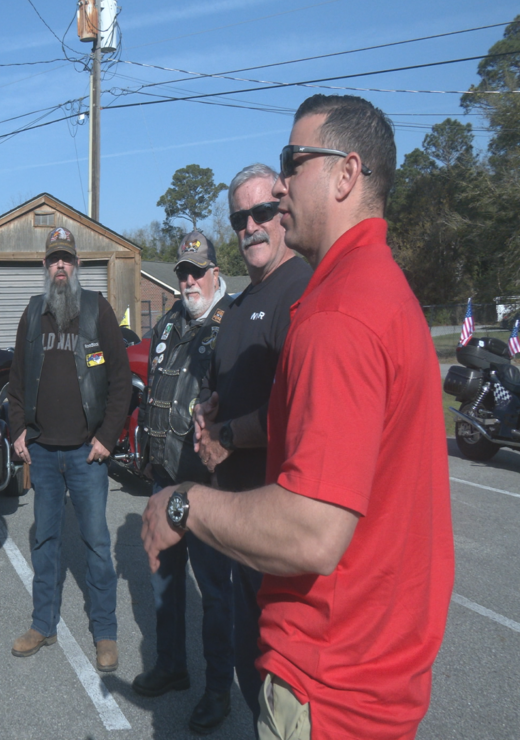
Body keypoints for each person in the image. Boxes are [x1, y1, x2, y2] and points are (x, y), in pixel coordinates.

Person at [142, 95, 454, 740]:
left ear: (346, 174)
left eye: (294, 161)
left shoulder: (338, 310)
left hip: (333, 678)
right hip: (366, 664)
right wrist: (226, 427)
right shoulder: (367, 286)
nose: (280, 187)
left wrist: (182, 505)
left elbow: (313, 531)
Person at [192, 164, 311, 722]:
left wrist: (227, 438)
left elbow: (299, 407)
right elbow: (221, 387)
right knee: (247, 659)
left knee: (279, 672)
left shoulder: (304, 289)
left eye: (262, 212)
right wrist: (207, 412)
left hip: (279, 516)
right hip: (237, 516)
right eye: (240, 217)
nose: (251, 227)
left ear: (282, 213)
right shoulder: (237, 306)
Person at [7, 226, 131, 673]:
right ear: (45, 267)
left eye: (67, 259)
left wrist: (107, 438)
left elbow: (120, 384)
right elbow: (15, 380)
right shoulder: (32, 313)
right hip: (42, 452)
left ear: (76, 266)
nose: (61, 266)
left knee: (97, 543)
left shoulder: (98, 310)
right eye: (54, 259)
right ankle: (43, 624)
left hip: (86, 453)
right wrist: (18, 430)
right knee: (45, 540)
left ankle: (105, 634)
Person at [131, 231, 236, 735]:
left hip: (209, 486)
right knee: (164, 580)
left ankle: (220, 690)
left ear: (216, 272)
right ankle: (172, 666)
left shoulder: (231, 323)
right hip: (164, 475)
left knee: (215, 591)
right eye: (182, 272)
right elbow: (155, 386)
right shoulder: (172, 320)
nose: (189, 279)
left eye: (197, 270)